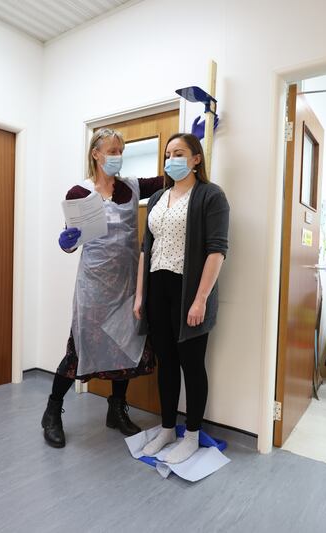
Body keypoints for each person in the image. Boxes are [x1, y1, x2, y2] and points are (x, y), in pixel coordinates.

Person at [41, 128, 165, 449]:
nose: (117, 157)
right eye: (111, 150)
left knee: (124, 348)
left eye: (120, 151)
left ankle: (116, 411)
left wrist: (199, 141)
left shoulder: (131, 188)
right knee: (77, 351)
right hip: (94, 288)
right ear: (95, 153)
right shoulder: (79, 193)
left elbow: (168, 180)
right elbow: (72, 240)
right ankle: (52, 413)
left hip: (126, 287)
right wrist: (66, 241)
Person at [133, 133, 229, 464]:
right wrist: (140, 294)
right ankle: (167, 428)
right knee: (167, 364)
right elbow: (147, 248)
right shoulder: (159, 197)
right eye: (168, 154)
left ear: (196, 159)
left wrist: (200, 299)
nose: (172, 159)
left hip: (189, 291)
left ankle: (191, 434)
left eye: (179, 153)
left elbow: (217, 251)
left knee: (192, 364)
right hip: (157, 288)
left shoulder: (210, 196)